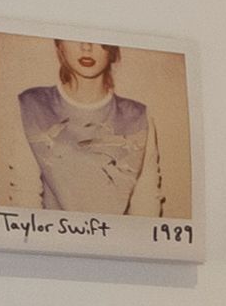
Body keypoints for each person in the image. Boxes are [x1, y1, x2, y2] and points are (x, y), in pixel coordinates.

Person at [12, 40, 167, 221]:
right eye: (74, 36)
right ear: (59, 44)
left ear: (112, 48)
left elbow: (146, 207)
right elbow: (25, 196)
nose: (86, 46)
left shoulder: (139, 118)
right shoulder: (32, 107)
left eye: (98, 39)